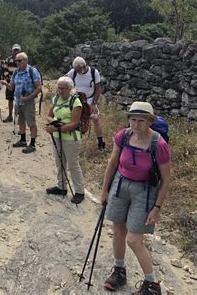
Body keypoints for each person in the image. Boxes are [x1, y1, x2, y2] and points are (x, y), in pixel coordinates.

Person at [100, 102, 170, 294]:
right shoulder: (123, 136)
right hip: (120, 185)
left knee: (133, 239)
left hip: (145, 191)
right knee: (118, 231)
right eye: (132, 119)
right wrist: (105, 189)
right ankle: (119, 272)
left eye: (141, 120)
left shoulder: (159, 144)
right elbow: (113, 163)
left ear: (149, 122)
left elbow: (165, 180)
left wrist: (157, 208)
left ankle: (152, 285)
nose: (136, 124)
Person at [44, 77, 85, 203]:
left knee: (73, 164)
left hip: (71, 138)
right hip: (57, 136)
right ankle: (61, 187)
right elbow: (49, 115)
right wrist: (54, 123)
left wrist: (56, 128)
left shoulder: (75, 101)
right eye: (59, 88)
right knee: (59, 162)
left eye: (63, 88)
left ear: (70, 89)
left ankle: (79, 191)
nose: (60, 91)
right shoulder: (56, 98)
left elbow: (74, 123)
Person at [1, 52, 41, 153]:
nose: (17, 63)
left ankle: (32, 144)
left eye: (19, 61)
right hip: (18, 101)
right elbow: (12, 87)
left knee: (31, 123)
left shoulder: (32, 71)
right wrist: (6, 84)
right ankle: (23, 140)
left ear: (25, 60)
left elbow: (39, 88)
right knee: (21, 121)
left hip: (29, 102)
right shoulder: (16, 72)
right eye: (16, 61)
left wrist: (28, 98)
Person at [66, 56, 105, 150]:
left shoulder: (93, 73)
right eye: (76, 70)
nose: (78, 72)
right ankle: (74, 142)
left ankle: (100, 141)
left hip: (90, 99)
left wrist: (94, 103)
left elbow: (98, 88)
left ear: (84, 66)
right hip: (76, 99)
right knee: (75, 120)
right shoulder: (72, 72)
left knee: (95, 118)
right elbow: (65, 82)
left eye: (79, 70)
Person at [2, 44, 21, 122]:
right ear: (12, 51)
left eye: (17, 50)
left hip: (20, 83)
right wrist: (9, 80)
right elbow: (5, 70)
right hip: (10, 82)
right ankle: (10, 115)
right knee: (10, 99)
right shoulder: (8, 59)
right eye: (14, 50)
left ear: (20, 51)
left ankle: (19, 116)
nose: (16, 52)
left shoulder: (21, 60)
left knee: (19, 99)